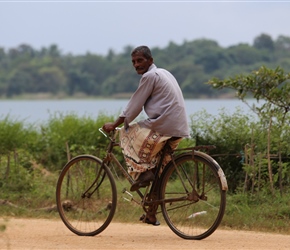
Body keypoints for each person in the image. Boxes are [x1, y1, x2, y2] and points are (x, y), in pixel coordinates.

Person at [102, 45, 190, 224]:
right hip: (178, 125)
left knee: (127, 133)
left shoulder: (150, 76)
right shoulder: (164, 73)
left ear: (150, 60)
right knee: (160, 168)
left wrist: (115, 124)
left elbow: (135, 104)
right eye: (133, 62)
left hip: (165, 123)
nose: (136, 64)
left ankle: (142, 173)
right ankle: (151, 213)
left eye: (140, 60)